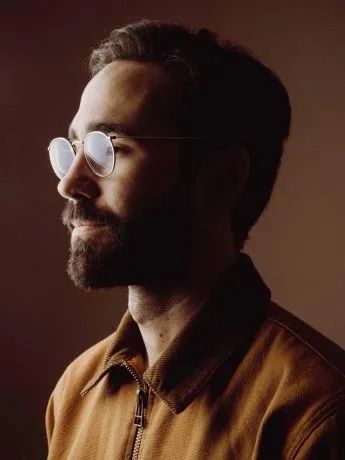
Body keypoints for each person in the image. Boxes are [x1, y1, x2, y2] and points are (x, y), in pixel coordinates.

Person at [45, 20, 345, 459]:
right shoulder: (74, 393)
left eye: (109, 147)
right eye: (73, 149)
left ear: (223, 178)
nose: (70, 184)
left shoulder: (315, 410)